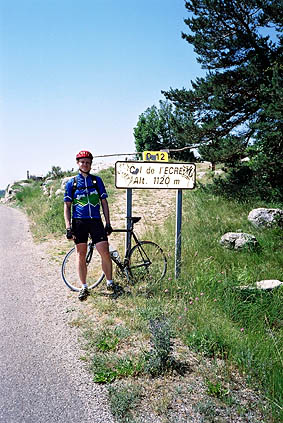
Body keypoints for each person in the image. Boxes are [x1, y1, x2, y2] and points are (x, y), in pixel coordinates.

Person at [64, 150, 115, 301]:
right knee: (81, 255)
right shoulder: (71, 183)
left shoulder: (96, 181)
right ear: (77, 163)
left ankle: (110, 282)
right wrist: (68, 227)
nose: (85, 164)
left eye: (88, 162)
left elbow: (104, 203)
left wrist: (108, 223)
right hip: (79, 222)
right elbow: (67, 206)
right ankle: (84, 287)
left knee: (104, 251)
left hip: (95, 221)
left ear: (91, 164)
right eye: (82, 162)